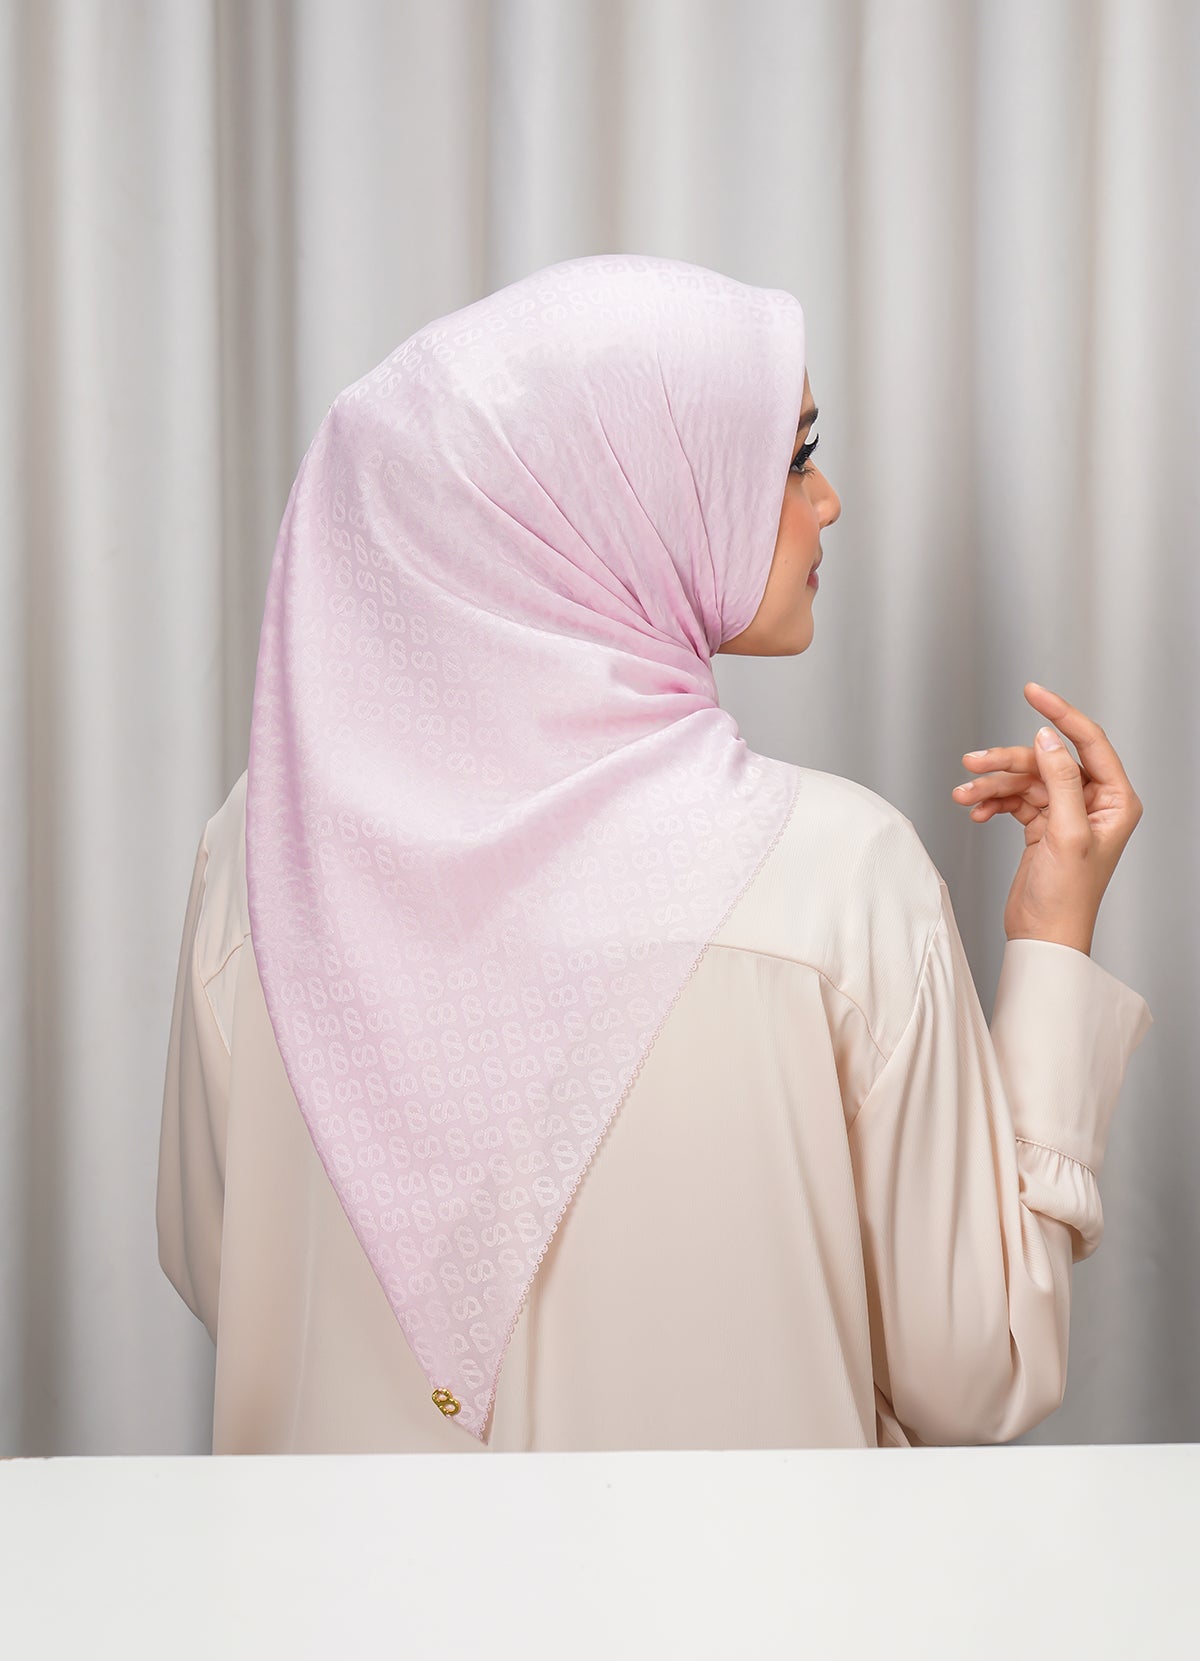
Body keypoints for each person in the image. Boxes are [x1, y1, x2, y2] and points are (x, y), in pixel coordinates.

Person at [155, 253, 1152, 1454]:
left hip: (343, 1579)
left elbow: (225, 1264)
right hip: (747, 1585)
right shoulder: (839, 877)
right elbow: (980, 1370)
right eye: (791, 457)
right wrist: (1052, 943)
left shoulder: (264, 852)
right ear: (611, 493)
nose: (828, 500)